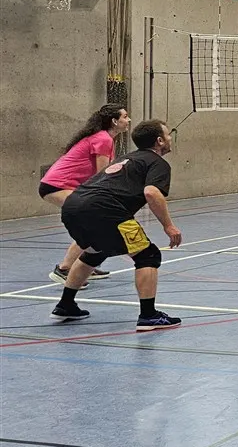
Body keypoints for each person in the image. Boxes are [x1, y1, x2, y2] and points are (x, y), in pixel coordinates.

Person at [50, 119, 183, 331]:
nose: (169, 138)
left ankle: (66, 304)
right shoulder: (157, 163)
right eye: (167, 135)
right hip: (107, 210)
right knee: (147, 255)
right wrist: (169, 226)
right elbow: (151, 192)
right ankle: (149, 316)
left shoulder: (126, 158)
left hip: (73, 206)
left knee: (94, 252)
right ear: (159, 141)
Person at [40, 103, 130, 285]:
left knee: (95, 225)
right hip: (56, 186)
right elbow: (102, 175)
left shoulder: (104, 138)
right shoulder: (103, 139)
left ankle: (85, 264)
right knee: (93, 224)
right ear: (114, 121)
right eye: (125, 116)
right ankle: (64, 269)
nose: (128, 120)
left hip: (66, 186)